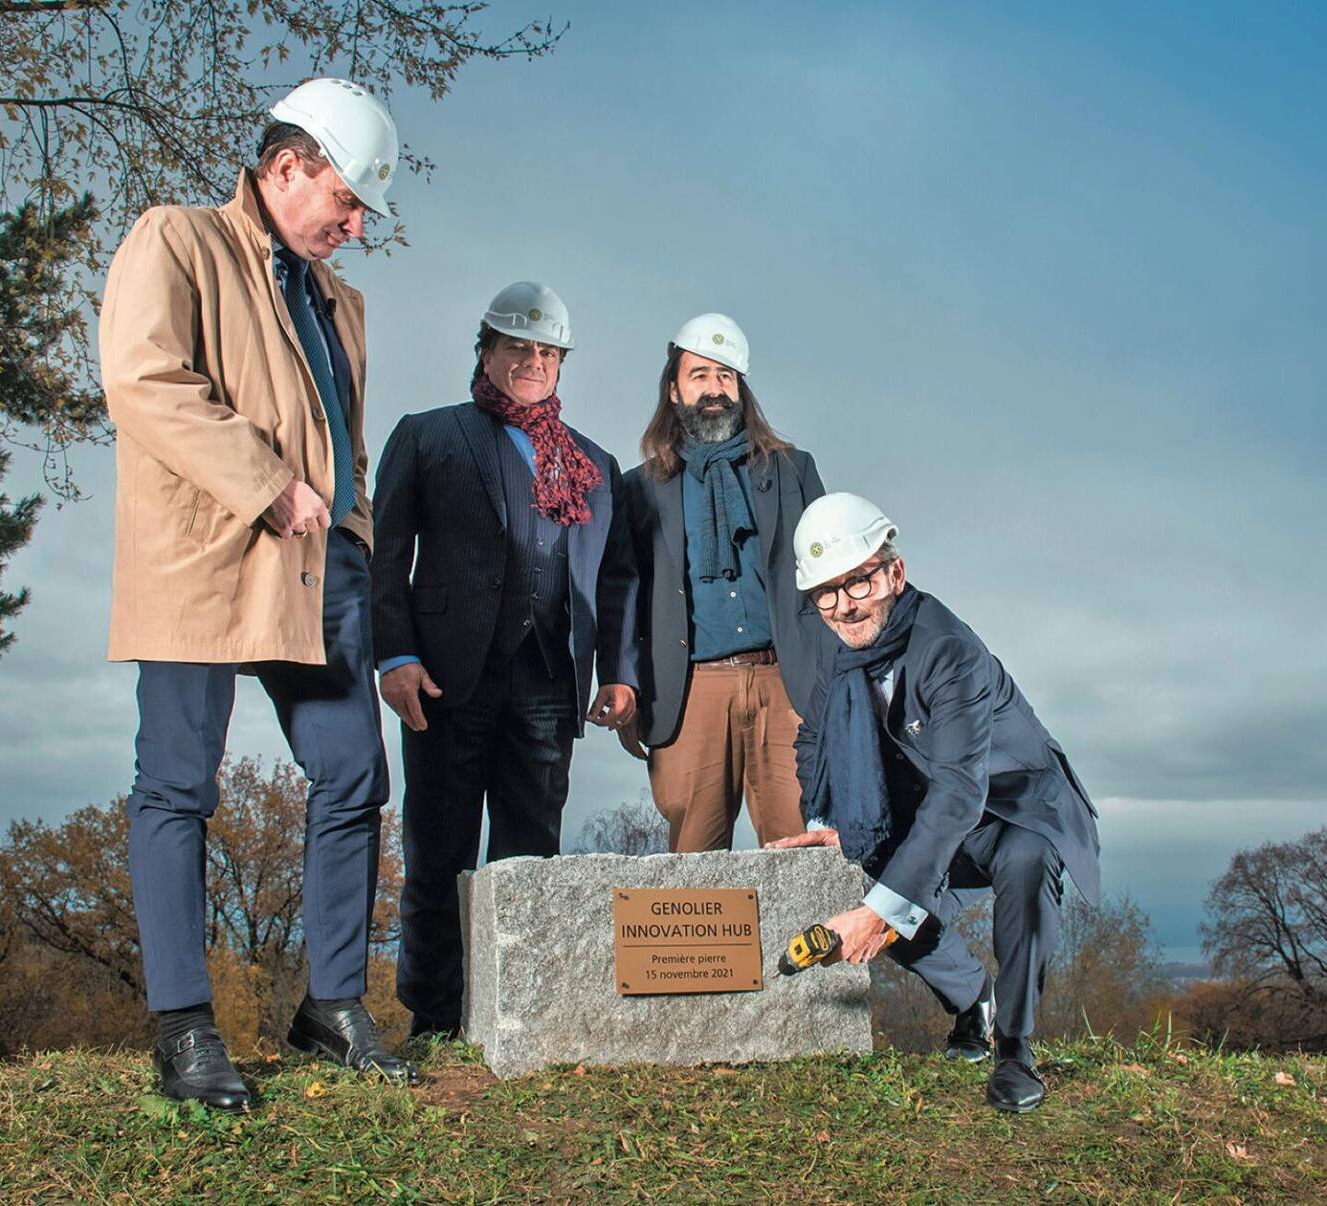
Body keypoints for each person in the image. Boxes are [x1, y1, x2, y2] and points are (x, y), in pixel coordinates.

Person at [100, 78, 411, 1112]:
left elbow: (345, 436)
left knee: (353, 775)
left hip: (323, 564)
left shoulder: (340, 302)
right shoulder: (178, 240)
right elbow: (144, 377)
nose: (356, 226)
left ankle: (331, 1006)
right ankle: (185, 1029)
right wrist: (268, 485)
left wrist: (354, 530)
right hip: (206, 550)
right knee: (179, 782)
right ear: (288, 169)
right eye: (347, 202)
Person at [768, 494, 1100, 1113]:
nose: (844, 605)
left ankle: (1015, 1050)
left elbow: (959, 792)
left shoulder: (948, 650)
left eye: (858, 581)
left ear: (893, 573)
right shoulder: (838, 655)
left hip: (1013, 809)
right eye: (826, 594)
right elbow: (815, 735)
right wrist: (827, 823)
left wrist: (880, 913)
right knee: (870, 865)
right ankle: (972, 997)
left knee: (1022, 862)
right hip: (935, 808)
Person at [371, 282, 638, 1039]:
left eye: (547, 352)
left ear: (562, 364)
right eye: (517, 347)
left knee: (530, 859)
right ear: (485, 351)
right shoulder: (428, 436)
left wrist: (618, 672)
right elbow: (385, 556)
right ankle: (432, 1017)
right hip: (445, 679)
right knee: (440, 852)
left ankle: (514, 1016)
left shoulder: (593, 464)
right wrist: (394, 653)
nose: (532, 362)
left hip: (550, 684)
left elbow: (616, 582)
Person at [618, 314, 826, 851]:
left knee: (803, 852)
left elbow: (828, 578)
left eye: (727, 376)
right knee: (694, 865)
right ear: (674, 389)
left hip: (788, 684)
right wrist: (623, 681)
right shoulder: (638, 489)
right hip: (688, 691)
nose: (715, 388)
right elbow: (623, 595)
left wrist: (837, 679)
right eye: (701, 375)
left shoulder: (792, 471)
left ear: (741, 389)